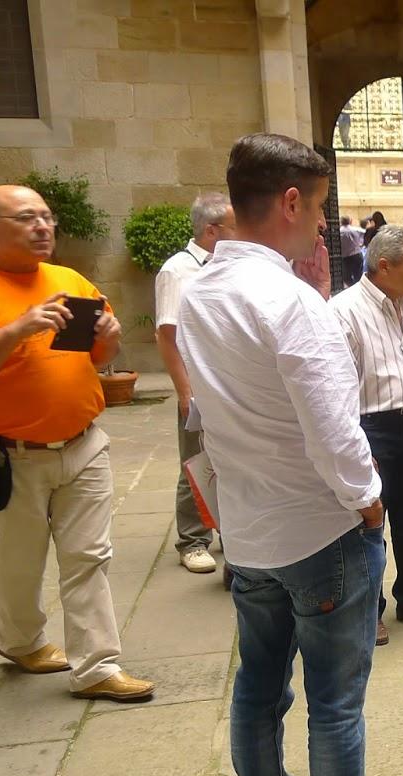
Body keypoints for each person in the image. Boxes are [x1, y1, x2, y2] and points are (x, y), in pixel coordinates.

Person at [178, 133, 403, 776]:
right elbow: (334, 430)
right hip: (320, 531)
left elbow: (213, 410)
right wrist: (369, 501)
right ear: (289, 202)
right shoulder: (291, 303)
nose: (322, 225)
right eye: (317, 209)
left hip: (250, 529)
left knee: (258, 686)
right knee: (335, 701)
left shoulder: (199, 292)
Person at [0, 185, 156, 703]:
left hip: (84, 444)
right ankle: (21, 642)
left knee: (89, 556)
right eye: (27, 218)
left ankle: (96, 667)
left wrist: (109, 339)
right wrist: (18, 329)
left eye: (47, 217)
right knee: (21, 559)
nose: (43, 227)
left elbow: (95, 358)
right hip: (11, 455)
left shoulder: (69, 281)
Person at [330, 225, 403, 647]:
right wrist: (355, 445)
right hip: (370, 428)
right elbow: (337, 388)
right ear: (384, 266)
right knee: (369, 525)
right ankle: (370, 611)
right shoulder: (343, 311)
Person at [155, 192, 234, 575]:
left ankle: (228, 532)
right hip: (198, 384)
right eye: (234, 226)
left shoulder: (227, 267)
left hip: (228, 381)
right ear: (211, 230)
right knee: (196, 461)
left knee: (229, 460)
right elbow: (166, 336)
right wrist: (184, 390)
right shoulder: (178, 270)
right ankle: (192, 540)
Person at [338, 216, 365, 290]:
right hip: (357, 255)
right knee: (358, 276)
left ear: (341, 222)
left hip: (346, 257)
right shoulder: (356, 230)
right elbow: (366, 232)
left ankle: (353, 288)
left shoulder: (339, 232)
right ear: (350, 221)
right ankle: (359, 289)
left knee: (346, 277)